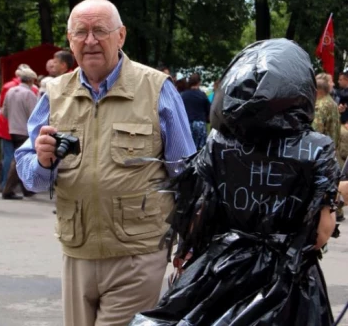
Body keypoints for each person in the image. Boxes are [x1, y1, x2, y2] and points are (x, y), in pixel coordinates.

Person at [131, 38, 339, 326]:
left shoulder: (218, 142)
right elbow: (321, 233)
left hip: (220, 271)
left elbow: (197, 218)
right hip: (289, 283)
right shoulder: (318, 148)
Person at [15, 0, 196, 326]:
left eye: (100, 30)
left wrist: (191, 240)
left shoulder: (156, 89)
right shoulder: (55, 93)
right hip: (77, 253)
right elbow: (32, 178)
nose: (90, 40)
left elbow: (187, 174)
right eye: (80, 32)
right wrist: (41, 161)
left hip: (138, 254)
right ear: (70, 41)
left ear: (121, 35)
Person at [0, 64, 39, 192]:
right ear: (31, 80)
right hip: (25, 130)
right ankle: (9, 189)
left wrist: (13, 120)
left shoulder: (10, 91)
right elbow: (34, 115)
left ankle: (23, 188)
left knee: (17, 158)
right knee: (20, 159)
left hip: (12, 128)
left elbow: (4, 112)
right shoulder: (29, 94)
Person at [180, 73, 211, 150]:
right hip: (200, 124)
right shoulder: (202, 95)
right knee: (200, 150)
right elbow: (209, 110)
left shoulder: (183, 95)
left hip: (187, 124)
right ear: (199, 82)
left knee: (188, 149)